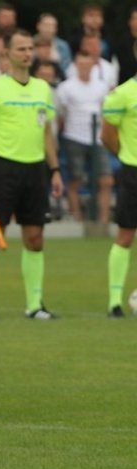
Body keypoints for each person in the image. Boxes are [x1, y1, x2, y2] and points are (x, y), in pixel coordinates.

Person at [0, 29, 63, 321]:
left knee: (35, 238)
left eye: (29, 48)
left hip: (35, 170)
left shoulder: (42, 89)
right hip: (2, 169)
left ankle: (35, 305)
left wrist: (55, 169)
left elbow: (47, 132)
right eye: (21, 48)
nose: (26, 53)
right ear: (8, 54)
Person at [55, 51, 113, 223]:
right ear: (75, 65)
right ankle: (78, 220)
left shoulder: (101, 86)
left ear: (93, 65)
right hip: (74, 138)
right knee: (75, 181)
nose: (85, 67)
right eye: (81, 64)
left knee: (106, 180)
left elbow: (106, 112)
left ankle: (103, 221)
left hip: (98, 139)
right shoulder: (66, 87)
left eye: (88, 64)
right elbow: (61, 115)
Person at [101, 73, 137, 317]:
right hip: (133, 171)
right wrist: (126, 157)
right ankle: (115, 301)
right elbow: (107, 135)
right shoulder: (122, 94)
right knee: (125, 235)